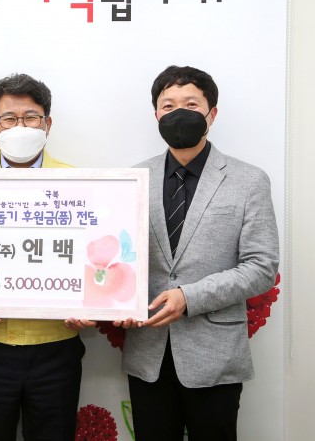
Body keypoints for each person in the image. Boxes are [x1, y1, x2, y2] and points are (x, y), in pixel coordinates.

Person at [117, 66, 280, 441]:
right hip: (148, 353)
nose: (178, 113)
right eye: (168, 105)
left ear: (212, 113)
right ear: (156, 115)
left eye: (191, 104)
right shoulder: (133, 178)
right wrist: (115, 299)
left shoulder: (248, 180)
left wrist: (189, 296)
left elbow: (261, 267)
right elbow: (119, 258)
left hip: (214, 355)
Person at [0, 73, 92, 441]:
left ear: (47, 123)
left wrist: (98, 303)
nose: (20, 126)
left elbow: (97, 261)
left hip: (57, 347)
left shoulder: (82, 185)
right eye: (9, 118)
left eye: (31, 117)